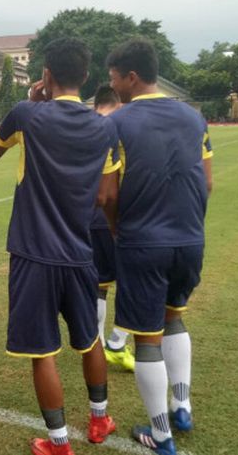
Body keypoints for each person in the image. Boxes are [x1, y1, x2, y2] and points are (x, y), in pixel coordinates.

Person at [0, 38, 120, 455]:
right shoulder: (105, 127)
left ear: (46, 75)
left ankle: (59, 443)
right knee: (89, 340)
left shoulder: (27, 113)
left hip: (33, 254)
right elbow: (105, 196)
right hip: (81, 252)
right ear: (86, 77)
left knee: (43, 351)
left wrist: (32, 99)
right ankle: (100, 421)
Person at [104, 39, 213, 455]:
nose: (113, 87)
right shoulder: (193, 117)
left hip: (143, 241)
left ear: (131, 76)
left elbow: (108, 195)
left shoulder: (118, 122)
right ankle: (182, 404)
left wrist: (117, 230)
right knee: (175, 318)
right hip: (189, 238)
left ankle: (161, 434)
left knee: (146, 338)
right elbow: (207, 182)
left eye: (114, 79)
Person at [90, 85, 134, 371]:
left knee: (100, 284)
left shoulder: (84, 124)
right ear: (116, 103)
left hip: (87, 215)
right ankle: (117, 341)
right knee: (140, 279)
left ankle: (97, 344)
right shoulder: (118, 126)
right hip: (114, 214)